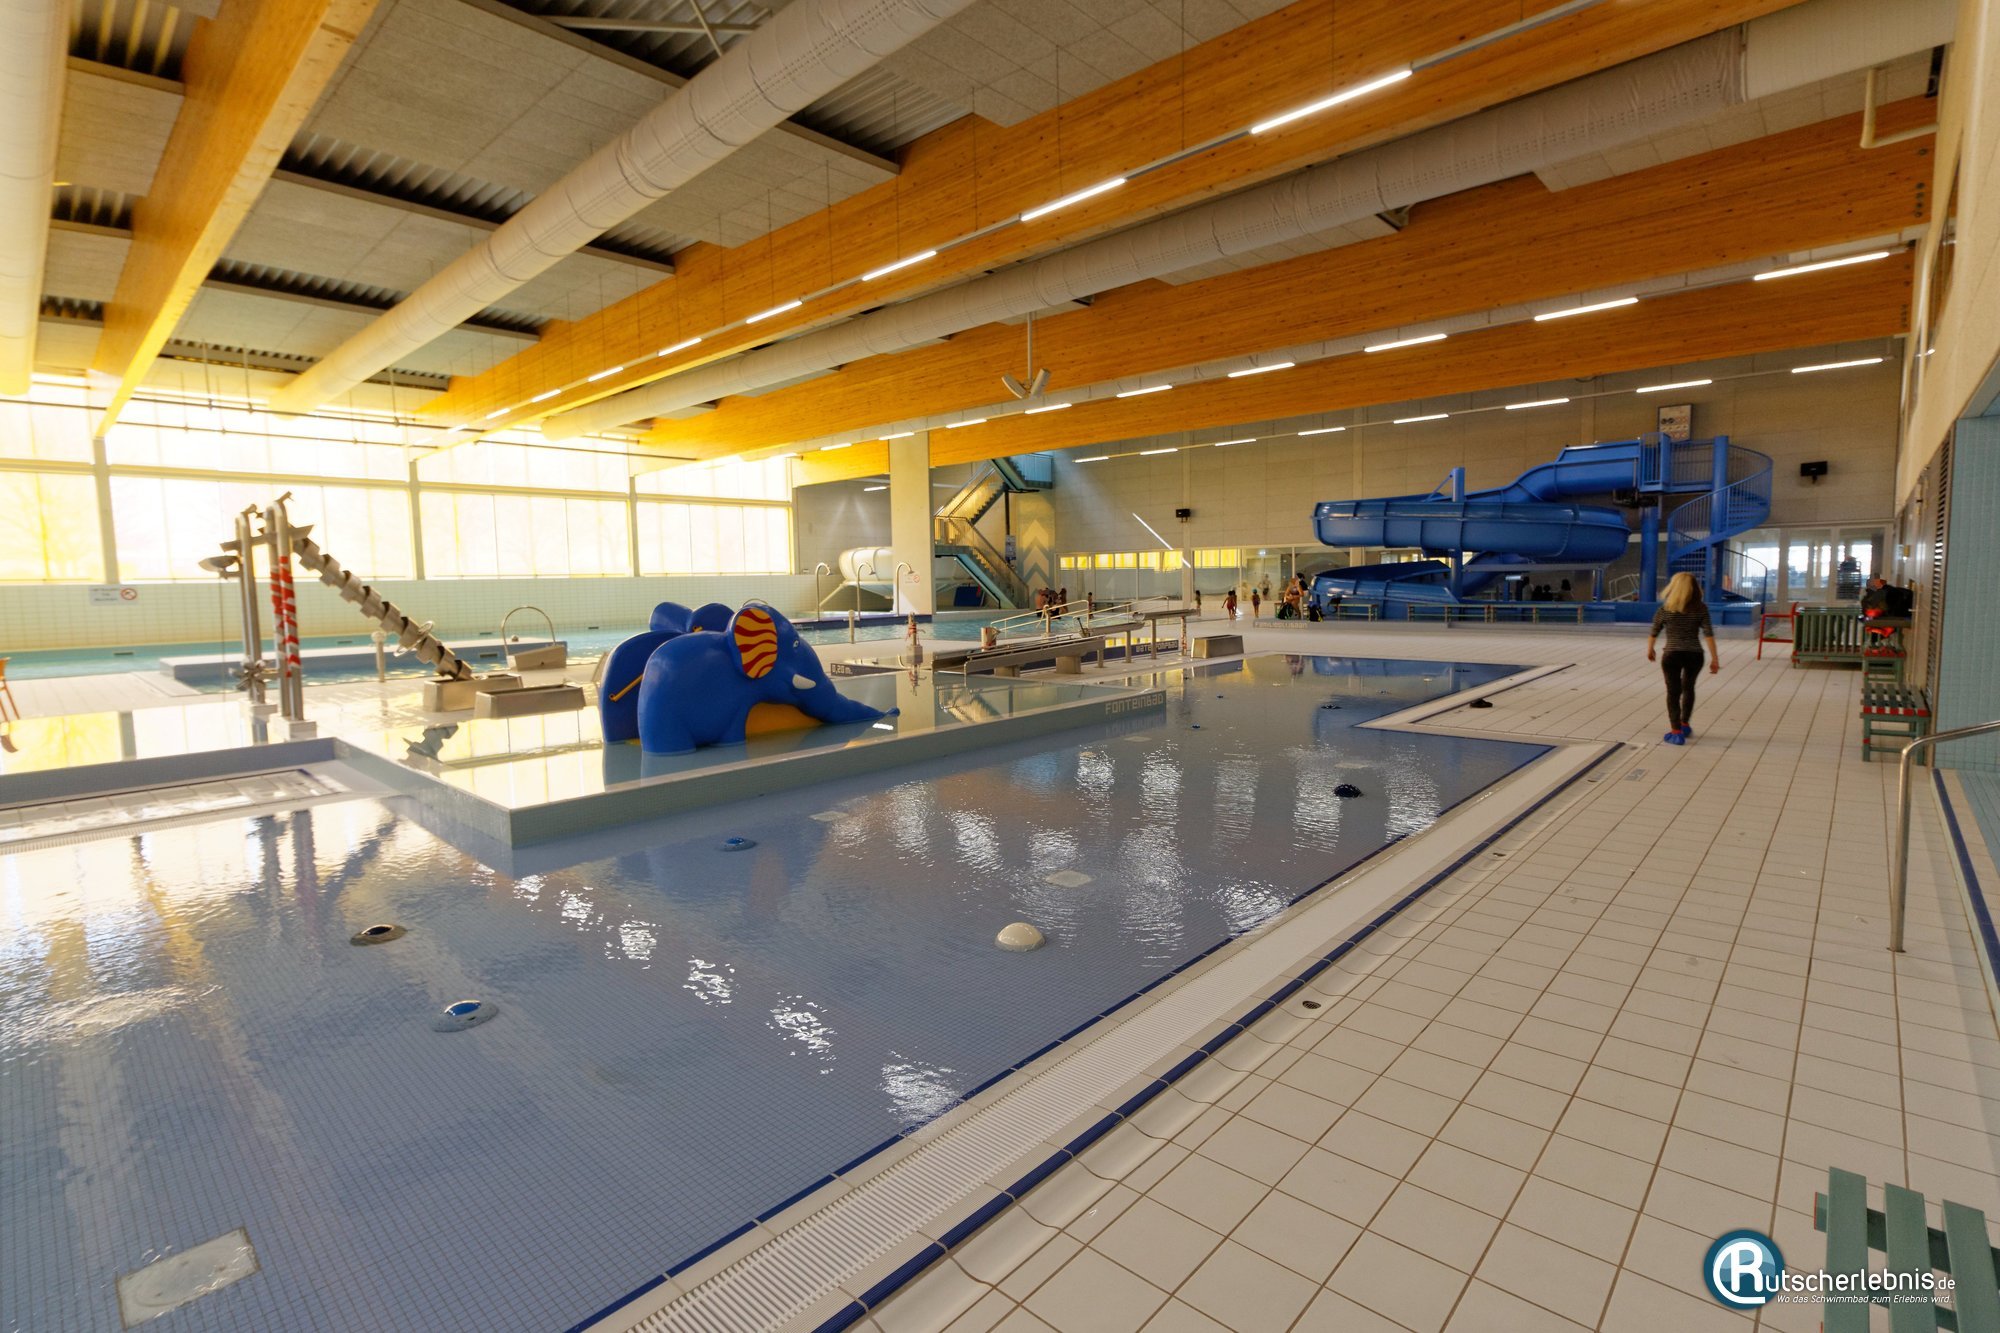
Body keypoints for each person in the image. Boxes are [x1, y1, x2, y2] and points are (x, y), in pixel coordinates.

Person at [1647, 572, 1720, 745]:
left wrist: (1650, 649)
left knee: (1673, 692)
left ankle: (1676, 731)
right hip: (1694, 654)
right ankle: (1685, 723)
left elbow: (1654, 632)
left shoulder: (1665, 609)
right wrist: (1715, 659)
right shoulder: (1701, 608)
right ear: (1694, 588)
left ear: (1673, 587)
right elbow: (1708, 634)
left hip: (1672, 654)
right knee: (1689, 688)